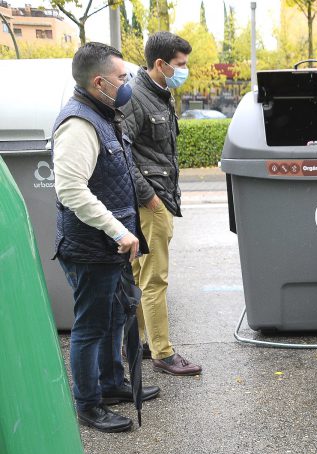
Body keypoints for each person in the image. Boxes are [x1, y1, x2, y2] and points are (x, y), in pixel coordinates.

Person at [53, 42, 160, 433]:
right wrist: (119, 230)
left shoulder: (104, 114)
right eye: (121, 77)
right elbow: (71, 190)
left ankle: (113, 383)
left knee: (116, 315)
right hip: (92, 247)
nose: (127, 81)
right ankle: (88, 403)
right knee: (91, 326)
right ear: (99, 82)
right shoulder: (79, 124)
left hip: (112, 245)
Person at [122, 32, 202, 376]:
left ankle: (142, 342)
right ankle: (163, 353)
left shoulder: (158, 94)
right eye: (180, 65)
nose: (184, 70)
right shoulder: (137, 98)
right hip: (150, 203)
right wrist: (150, 197)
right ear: (160, 64)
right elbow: (121, 153)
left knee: (141, 276)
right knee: (154, 280)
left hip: (155, 198)